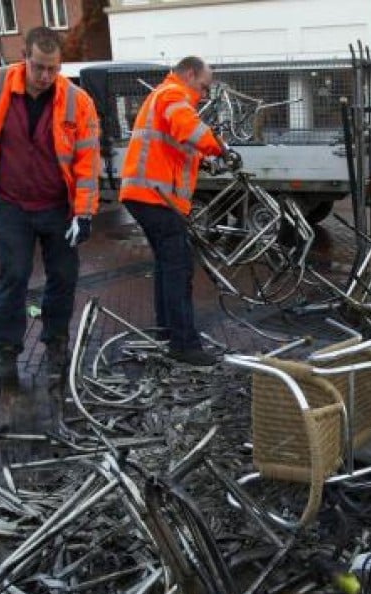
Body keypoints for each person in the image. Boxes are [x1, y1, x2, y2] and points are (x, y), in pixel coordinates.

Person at [0, 26, 101, 386]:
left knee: (63, 278)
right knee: (13, 276)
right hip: (12, 204)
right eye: (39, 67)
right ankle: (5, 350)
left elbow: (86, 160)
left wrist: (84, 211)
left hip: (57, 207)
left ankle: (56, 344)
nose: (46, 76)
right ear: (24, 58)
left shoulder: (77, 102)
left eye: (53, 68)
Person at [119, 56, 240, 367]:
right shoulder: (173, 94)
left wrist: (208, 159)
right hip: (155, 195)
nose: (203, 94)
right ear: (188, 74)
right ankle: (184, 344)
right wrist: (222, 148)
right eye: (202, 86)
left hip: (148, 194)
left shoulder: (164, 96)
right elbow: (190, 129)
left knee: (167, 264)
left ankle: (167, 332)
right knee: (179, 267)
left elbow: (179, 145)